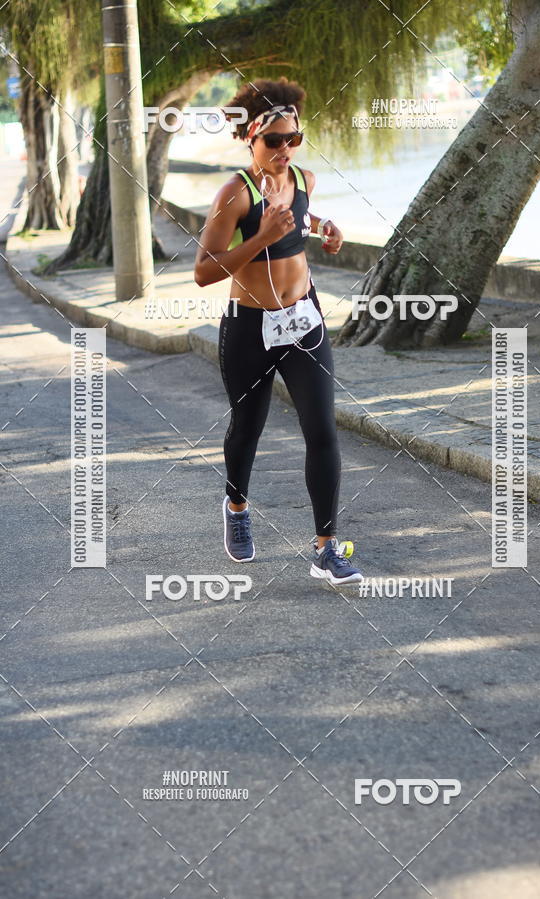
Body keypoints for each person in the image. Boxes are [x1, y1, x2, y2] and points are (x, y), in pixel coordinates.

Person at [194, 77, 362, 586]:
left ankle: (326, 548)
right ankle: (238, 506)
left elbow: (300, 221)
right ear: (250, 139)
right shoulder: (234, 195)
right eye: (274, 140)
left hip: (304, 322)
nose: (285, 149)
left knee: (322, 429)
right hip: (249, 328)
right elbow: (204, 271)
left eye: (294, 138)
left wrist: (327, 230)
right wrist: (260, 236)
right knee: (248, 428)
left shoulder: (305, 181)